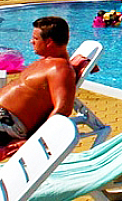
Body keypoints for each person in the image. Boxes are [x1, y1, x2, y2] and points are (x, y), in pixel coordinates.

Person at [0, 17, 76, 145]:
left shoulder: (59, 69)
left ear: (49, 42)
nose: (31, 42)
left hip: (6, 124)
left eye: (35, 39)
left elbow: (63, 109)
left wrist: (35, 141)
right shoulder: (47, 62)